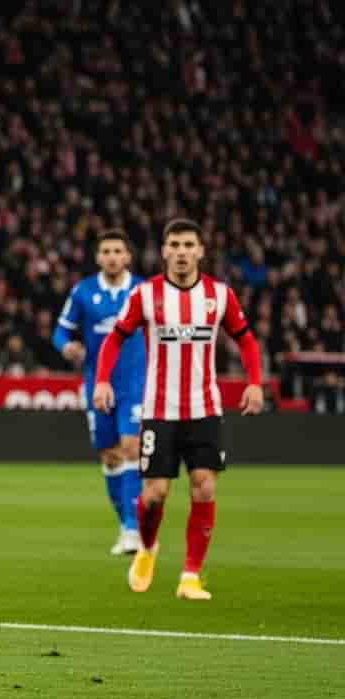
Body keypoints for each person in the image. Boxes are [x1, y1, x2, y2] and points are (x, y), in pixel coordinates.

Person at [94, 219, 265, 600]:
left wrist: (254, 382)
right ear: (165, 251)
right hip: (160, 410)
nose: (182, 251)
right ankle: (147, 547)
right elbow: (115, 339)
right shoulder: (146, 295)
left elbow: (247, 341)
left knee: (204, 487)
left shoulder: (220, 295)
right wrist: (103, 380)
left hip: (205, 409)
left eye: (189, 244)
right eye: (175, 244)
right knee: (154, 494)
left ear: (201, 251)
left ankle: (190, 576)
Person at [54, 230, 147, 555]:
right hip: (98, 384)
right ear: (98, 257)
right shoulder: (83, 291)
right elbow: (61, 330)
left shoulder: (143, 291)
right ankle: (126, 525)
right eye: (105, 250)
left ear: (127, 257)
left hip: (135, 383)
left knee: (131, 448)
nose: (111, 256)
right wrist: (67, 347)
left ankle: (134, 530)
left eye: (117, 250)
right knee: (109, 457)